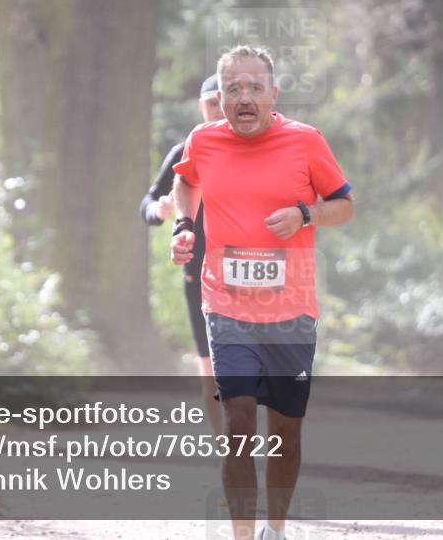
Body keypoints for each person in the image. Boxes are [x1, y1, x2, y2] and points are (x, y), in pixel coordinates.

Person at [169, 46, 354, 540]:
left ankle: (276, 527)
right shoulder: (203, 141)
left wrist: (305, 215)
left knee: (286, 433)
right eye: (233, 89)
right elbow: (184, 182)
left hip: (291, 312)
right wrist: (185, 226)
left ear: (274, 94)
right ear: (220, 95)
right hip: (225, 306)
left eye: (255, 88)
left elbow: (345, 205)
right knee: (237, 424)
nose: (244, 99)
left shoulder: (305, 142)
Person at [140, 74, 225, 436]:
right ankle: (228, 451)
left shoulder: (258, 153)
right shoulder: (186, 151)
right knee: (210, 365)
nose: (219, 111)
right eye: (212, 103)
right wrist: (159, 211)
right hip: (199, 269)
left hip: (249, 268)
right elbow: (147, 201)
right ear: (201, 106)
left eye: (226, 101)